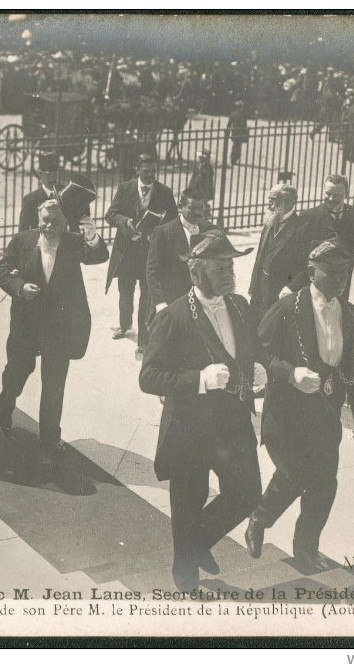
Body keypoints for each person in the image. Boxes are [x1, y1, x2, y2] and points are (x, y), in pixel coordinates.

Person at [139, 228, 264, 590]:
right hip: (189, 427)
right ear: (195, 273)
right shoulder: (173, 317)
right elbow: (149, 377)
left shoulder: (240, 306)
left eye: (230, 265)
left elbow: (252, 347)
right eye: (219, 266)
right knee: (188, 503)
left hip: (234, 423)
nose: (229, 272)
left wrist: (259, 367)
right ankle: (185, 568)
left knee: (247, 493)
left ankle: (196, 544)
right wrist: (199, 379)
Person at [244, 240, 354, 572]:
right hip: (286, 415)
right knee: (294, 473)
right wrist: (290, 373)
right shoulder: (288, 308)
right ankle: (259, 518)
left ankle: (306, 548)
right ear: (313, 273)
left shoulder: (349, 312)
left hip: (325, 415)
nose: (341, 280)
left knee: (324, 483)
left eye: (345, 272)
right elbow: (256, 352)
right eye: (333, 272)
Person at [0, 199, 109, 463]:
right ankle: (6, 407)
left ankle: (50, 437)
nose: (50, 226)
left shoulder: (71, 242)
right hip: (26, 324)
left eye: (56, 222)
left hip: (59, 328)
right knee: (18, 371)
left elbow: (98, 256)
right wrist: (20, 287)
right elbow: (0, 270)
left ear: (64, 223)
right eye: (45, 220)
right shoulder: (23, 240)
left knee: (54, 385)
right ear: (38, 217)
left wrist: (91, 235)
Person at [105, 152, 179, 353]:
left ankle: (144, 340)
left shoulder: (164, 192)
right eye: (146, 171)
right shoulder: (125, 188)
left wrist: (157, 226)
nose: (150, 176)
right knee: (125, 293)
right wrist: (125, 222)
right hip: (127, 254)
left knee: (147, 297)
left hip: (150, 254)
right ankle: (124, 325)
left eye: (153, 171)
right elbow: (110, 215)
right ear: (137, 170)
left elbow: (173, 220)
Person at [295, 174, 354, 302]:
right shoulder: (309, 216)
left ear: (346, 194)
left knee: (339, 308)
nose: (332, 198)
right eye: (328, 193)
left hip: (343, 276)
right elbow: (300, 250)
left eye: (337, 195)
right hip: (318, 278)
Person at [147, 190, 217, 318]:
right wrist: (160, 303)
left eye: (200, 208)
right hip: (173, 303)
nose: (197, 212)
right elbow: (152, 272)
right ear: (181, 207)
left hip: (203, 305)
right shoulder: (163, 232)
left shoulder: (211, 230)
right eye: (192, 208)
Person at [247, 183, 307, 321]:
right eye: (269, 199)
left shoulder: (302, 229)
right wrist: (253, 287)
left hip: (281, 295)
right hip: (260, 292)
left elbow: (307, 267)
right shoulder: (270, 222)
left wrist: (290, 288)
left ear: (289, 202)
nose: (269, 204)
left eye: (274, 200)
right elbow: (260, 258)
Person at [227, 100, 249, 166]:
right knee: (237, 146)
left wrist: (228, 132)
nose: (242, 108)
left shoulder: (233, 114)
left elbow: (229, 124)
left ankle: (234, 158)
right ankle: (234, 159)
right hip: (239, 132)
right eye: (241, 107)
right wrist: (245, 133)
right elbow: (245, 124)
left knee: (236, 145)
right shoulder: (242, 114)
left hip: (235, 132)